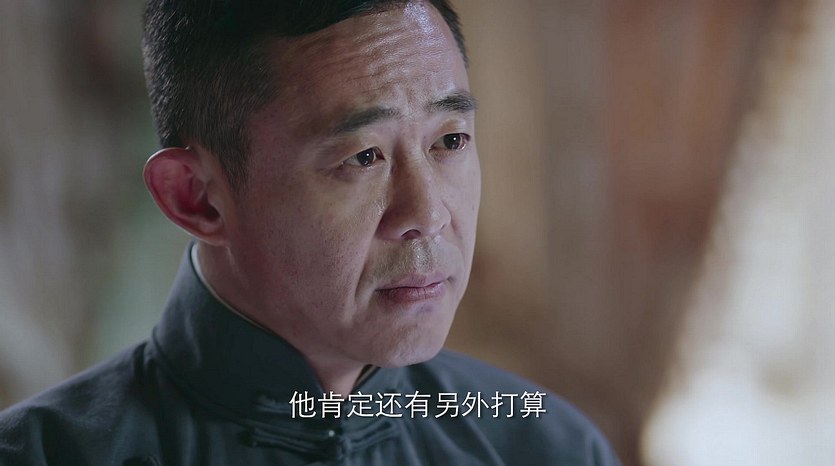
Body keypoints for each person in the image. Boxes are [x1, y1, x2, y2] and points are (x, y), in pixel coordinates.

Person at [0, 1, 620, 464]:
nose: (428, 214)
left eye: (450, 141)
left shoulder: (544, 446)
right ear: (197, 198)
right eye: (363, 157)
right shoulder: (46, 454)